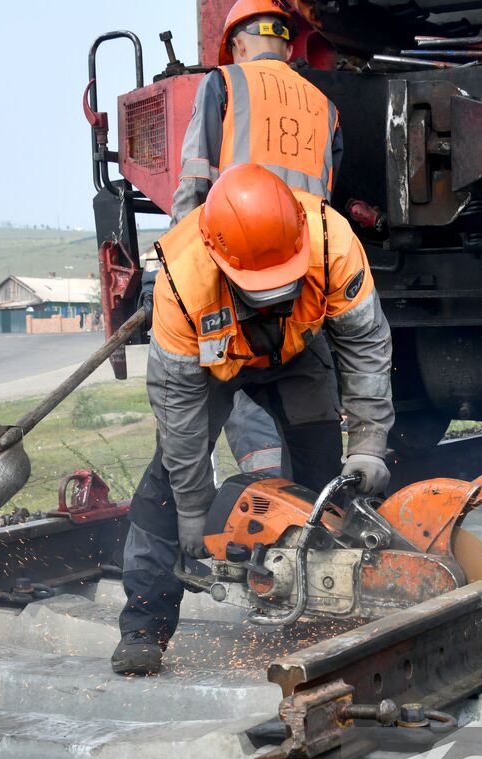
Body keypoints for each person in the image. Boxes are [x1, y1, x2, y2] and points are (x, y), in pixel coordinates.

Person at [112, 164, 393, 675]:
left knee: (324, 484)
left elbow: (366, 346)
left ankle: (319, 610)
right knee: (165, 489)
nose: (275, 296)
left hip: (299, 354)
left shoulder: (333, 241)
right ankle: (143, 628)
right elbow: (179, 413)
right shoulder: (182, 280)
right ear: (221, 260)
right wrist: (194, 506)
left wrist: (369, 440)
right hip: (212, 369)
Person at [171, 0, 347, 482]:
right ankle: (309, 522)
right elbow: (327, 198)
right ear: (291, 48)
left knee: (213, 388)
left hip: (234, 267)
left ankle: (238, 508)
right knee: (311, 422)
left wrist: (178, 276)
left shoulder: (223, 84)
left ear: (238, 44)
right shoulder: (325, 108)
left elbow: (194, 183)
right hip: (303, 276)